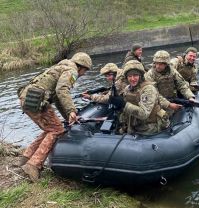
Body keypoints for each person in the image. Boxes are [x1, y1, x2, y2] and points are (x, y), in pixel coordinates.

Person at [17, 52, 92, 182]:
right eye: (84, 71)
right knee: (57, 130)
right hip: (37, 100)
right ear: (81, 66)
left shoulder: (61, 66)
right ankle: (33, 165)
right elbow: (62, 90)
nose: (83, 74)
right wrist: (72, 110)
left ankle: (26, 158)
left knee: (50, 129)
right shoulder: (72, 70)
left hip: (27, 98)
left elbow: (57, 98)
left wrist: (68, 115)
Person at [109, 60, 169, 135]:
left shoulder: (148, 89)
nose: (132, 79)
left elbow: (144, 114)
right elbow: (127, 107)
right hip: (134, 123)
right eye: (129, 76)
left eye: (135, 75)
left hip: (149, 125)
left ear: (140, 76)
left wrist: (124, 104)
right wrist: (118, 105)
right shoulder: (128, 88)